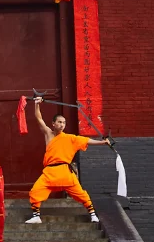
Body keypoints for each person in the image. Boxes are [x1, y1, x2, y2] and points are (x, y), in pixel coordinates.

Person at [26, 96, 111, 224]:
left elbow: (86, 140)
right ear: (53, 124)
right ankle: (36, 216)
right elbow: (39, 118)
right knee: (35, 191)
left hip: (65, 172)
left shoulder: (70, 138)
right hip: (50, 173)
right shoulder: (48, 134)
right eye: (59, 122)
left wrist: (102, 142)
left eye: (64, 123)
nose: (62, 125)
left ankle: (93, 215)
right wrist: (37, 104)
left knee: (82, 194)